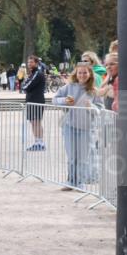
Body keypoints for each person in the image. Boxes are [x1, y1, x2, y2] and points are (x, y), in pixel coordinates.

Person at [53, 62, 101, 190]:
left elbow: (100, 110)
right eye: (80, 72)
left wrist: (92, 107)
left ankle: (80, 182)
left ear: (90, 74)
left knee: (83, 156)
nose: (82, 75)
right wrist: (64, 101)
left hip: (86, 128)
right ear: (76, 74)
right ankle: (71, 181)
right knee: (72, 155)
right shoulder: (69, 87)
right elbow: (55, 99)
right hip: (70, 126)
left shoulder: (94, 91)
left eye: (85, 72)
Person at [21, 55, 47, 151]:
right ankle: (37, 142)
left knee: (36, 122)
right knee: (33, 122)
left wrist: (24, 86)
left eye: (31, 62)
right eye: (28, 62)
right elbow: (25, 85)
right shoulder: (32, 73)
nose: (29, 64)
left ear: (36, 63)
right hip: (31, 100)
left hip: (37, 100)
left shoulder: (37, 73)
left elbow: (26, 86)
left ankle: (40, 142)